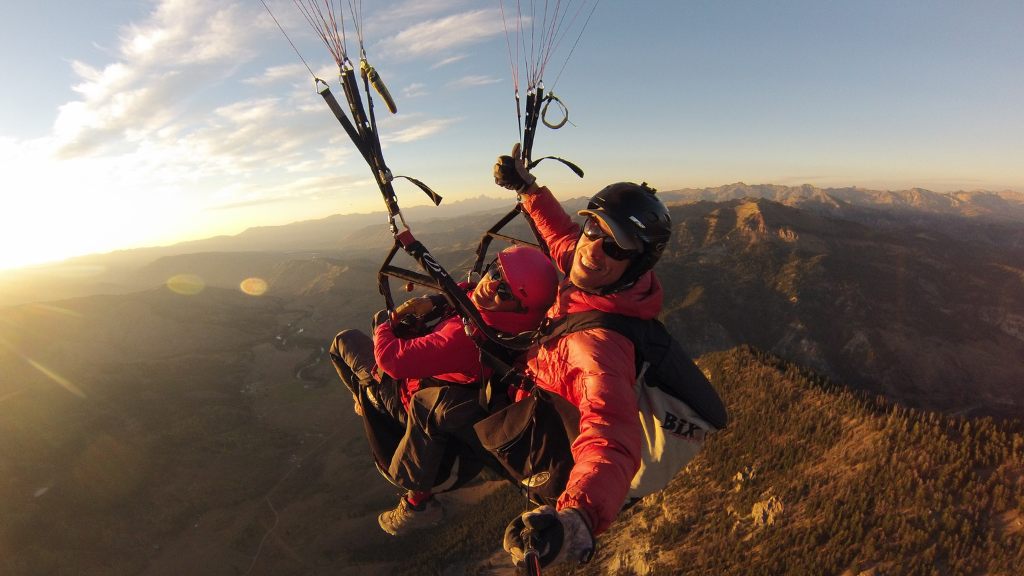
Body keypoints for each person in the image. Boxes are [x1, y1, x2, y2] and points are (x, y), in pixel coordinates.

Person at [493, 144, 673, 569]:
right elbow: (562, 236)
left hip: (539, 433)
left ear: (638, 261)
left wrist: (577, 517)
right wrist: (527, 188)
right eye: (594, 229)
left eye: (617, 246)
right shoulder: (599, 274)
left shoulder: (601, 348)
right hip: (537, 373)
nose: (593, 248)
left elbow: (612, 436)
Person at [329, 244, 559, 535]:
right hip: (444, 390)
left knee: (343, 342)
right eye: (496, 271)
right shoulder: (504, 324)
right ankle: (363, 398)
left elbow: (391, 361)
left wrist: (385, 324)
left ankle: (362, 400)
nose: (491, 285)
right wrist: (433, 302)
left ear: (520, 309)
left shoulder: (465, 338)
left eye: (505, 292)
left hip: (407, 394)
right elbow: (468, 291)